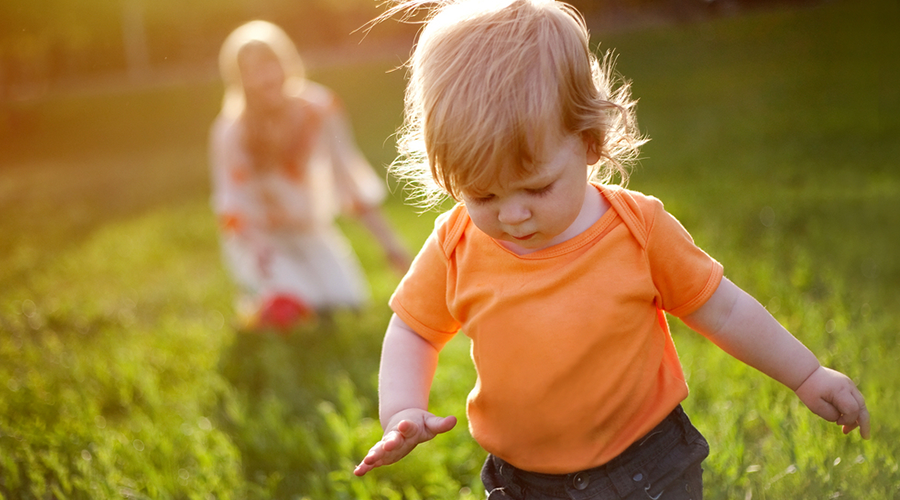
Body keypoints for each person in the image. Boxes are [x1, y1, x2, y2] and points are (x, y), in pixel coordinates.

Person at [352, 0, 870, 498]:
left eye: (536, 188)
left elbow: (724, 308)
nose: (511, 215)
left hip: (646, 466)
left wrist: (805, 373)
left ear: (589, 143)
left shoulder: (636, 229)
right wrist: (402, 408)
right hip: (522, 482)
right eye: (482, 194)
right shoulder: (457, 241)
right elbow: (414, 328)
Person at [209, 20, 411, 331]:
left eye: (270, 64)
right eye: (251, 70)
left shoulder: (321, 108)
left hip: (310, 230)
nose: (265, 77)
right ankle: (255, 299)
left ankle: (276, 294)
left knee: (346, 302)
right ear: (238, 79)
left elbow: (349, 180)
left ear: (287, 61)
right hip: (259, 240)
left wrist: (389, 243)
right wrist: (257, 244)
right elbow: (230, 204)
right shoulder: (231, 131)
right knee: (302, 309)